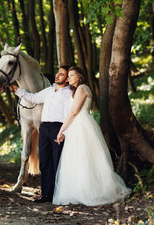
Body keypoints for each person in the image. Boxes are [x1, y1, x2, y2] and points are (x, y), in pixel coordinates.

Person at [53, 66, 131, 206]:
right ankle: (79, 190)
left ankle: (90, 191)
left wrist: (61, 131)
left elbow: (74, 112)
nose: (68, 78)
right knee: (80, 158)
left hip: (81, 125)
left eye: (71, 75)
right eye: (68, 76)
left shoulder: (82, 89)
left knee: (84, 158)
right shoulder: (81, 89)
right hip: (78, 125)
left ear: (80, 76)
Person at [9, 66, 72, 203]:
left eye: (61, 74)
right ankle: (46, 195)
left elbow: (69, 114)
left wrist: (64, 132)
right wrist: (17, 90)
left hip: (58, 128)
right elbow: (34, 98)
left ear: (67, 79)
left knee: (57, 162)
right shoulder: (49, 90)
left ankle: (58, 194)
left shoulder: (69, 94)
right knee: (44, 162)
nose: (57, 75)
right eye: (57, 72)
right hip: (44, 128)